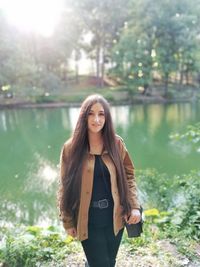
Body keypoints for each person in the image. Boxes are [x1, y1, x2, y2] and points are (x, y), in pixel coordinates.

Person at [58, 94, 141, 267]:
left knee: (110, 261)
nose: (96, 119)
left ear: (107, 117)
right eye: (91, 113)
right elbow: (64, 186)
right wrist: (67, 220)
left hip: (115, 216)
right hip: (88, 219)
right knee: (100, 263)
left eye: (101, 114)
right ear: (84, 116)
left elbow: (129, 175)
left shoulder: (116, 144)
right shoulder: (71, 148)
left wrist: (133, 206)